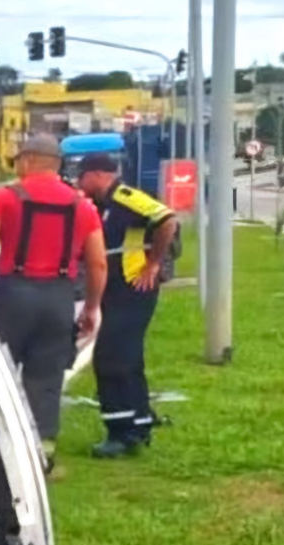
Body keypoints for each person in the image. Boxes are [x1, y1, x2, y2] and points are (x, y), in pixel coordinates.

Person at [0, 134, 108, 474]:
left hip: (13, 295)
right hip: (58, 299)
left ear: (27, 161)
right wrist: (91, 307)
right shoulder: (82, 206)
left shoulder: (5, 198)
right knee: (46, 381)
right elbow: (98, 263)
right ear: (57, 166)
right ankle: (43, 457)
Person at [74, 153, 177, 458]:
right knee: (127, 357)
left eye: (82, 176)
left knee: (111, 357)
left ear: (96, 174)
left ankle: (122, 431)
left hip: (134, 287)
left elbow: (167, 219)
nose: (80, 183)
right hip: (118, 291)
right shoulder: (104, 205)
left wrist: (153, 264)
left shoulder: (124, 196)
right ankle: (140, 422)